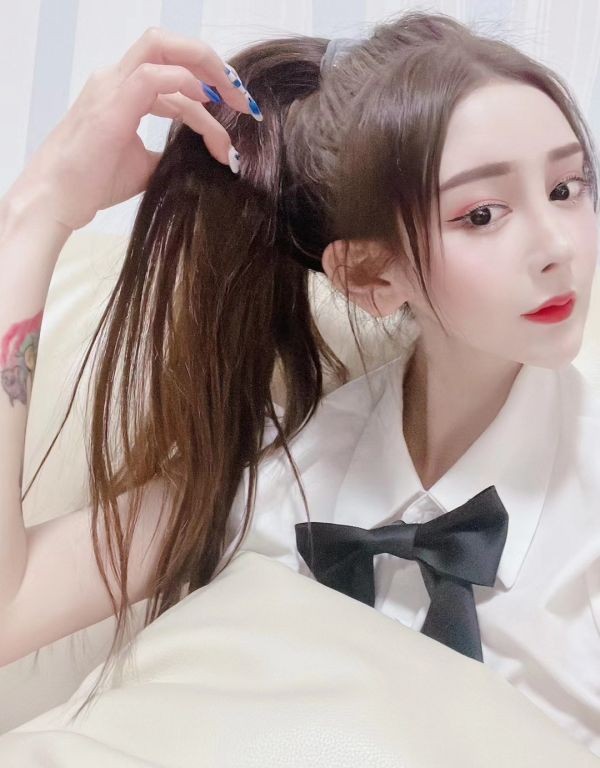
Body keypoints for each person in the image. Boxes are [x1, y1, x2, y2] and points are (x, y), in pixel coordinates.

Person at [0, 8, 598, 755]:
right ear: (370, 274)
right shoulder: (278, 471)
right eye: (482, 213)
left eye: (567, 188)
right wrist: (37, 213)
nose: (557, 246)